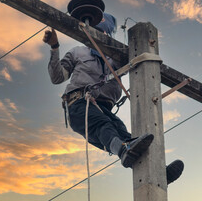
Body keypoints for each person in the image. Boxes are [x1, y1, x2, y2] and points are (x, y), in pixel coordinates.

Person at [43, 13, 184, 185]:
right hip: (79, 105)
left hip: (104, 108)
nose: (101, 36)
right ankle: (123, 150)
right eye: (97, 31)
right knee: (105, 127)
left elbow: (139, 59)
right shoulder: (78, 53)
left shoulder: (115, 58)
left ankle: (158, 172)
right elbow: (57, 77)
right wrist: (54, 47)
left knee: (126, 135)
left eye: (105, 33)